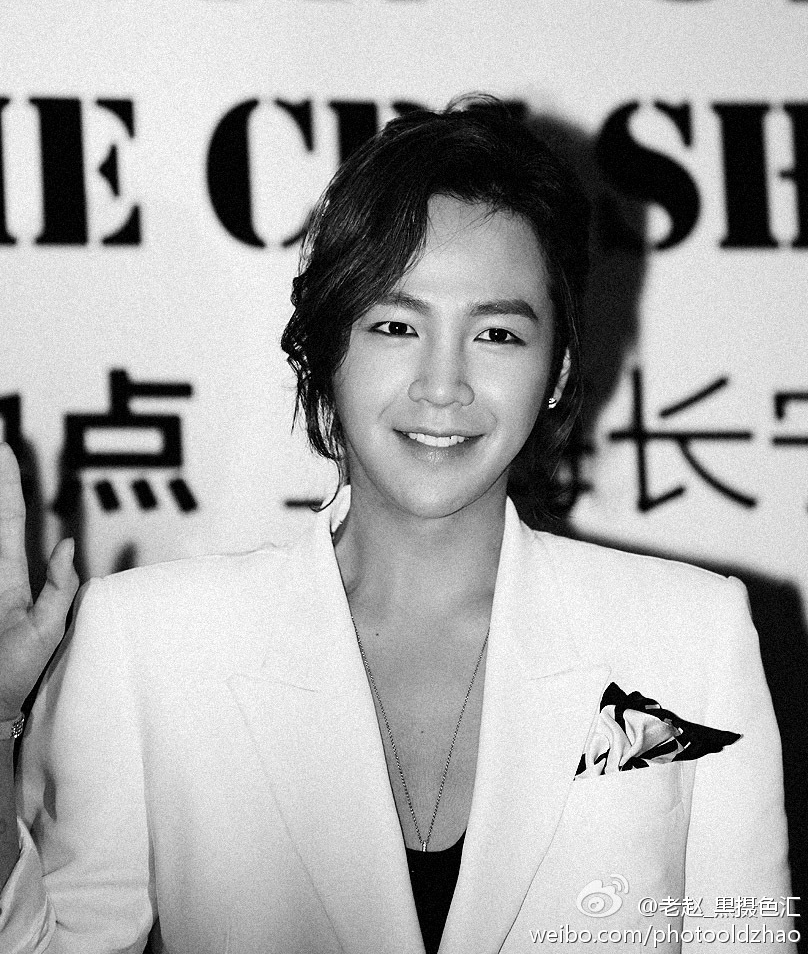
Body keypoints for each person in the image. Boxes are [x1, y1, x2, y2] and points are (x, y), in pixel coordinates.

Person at [0, 99, 795, 954]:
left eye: (497, 333)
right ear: (324, 349)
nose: (442, 385)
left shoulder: (692, 639)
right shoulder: (149, 643)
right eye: (394, 325)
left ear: (560, 370)